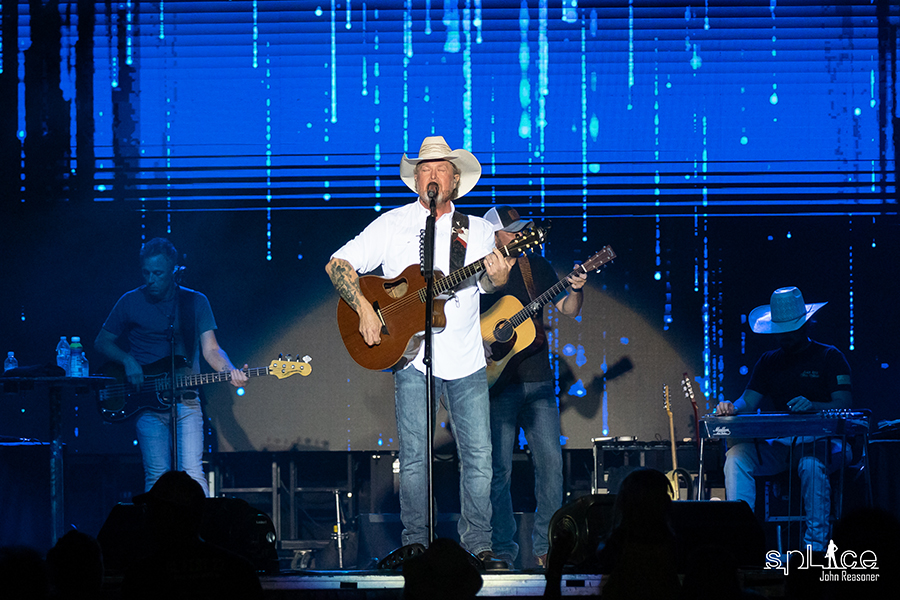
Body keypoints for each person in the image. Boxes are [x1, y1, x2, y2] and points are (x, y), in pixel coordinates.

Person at [326, 136, 512, 570]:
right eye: (424, 169)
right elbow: (338, 263)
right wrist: (365, 309)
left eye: (441, 169)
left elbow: (488, 284)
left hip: (466, 361)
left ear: (455, 179)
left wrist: (500, 276)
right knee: (413, 459)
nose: (432, 175)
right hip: (411, 360)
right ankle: (416, 544)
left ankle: (478, 545)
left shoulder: (479, 231)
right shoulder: (391, 224)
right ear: (415, 180)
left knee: (480, 458)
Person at [95, 237, 248, 495]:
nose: (151, 280)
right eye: (146, 273)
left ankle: (201, 531)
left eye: (158, 273)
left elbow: (211, 349)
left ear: (174, 271)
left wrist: (229, 371)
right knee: (156, 475)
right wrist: (128, 360)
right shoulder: (130, 301)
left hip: (186, 402)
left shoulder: (195, 302)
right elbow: (102, 341)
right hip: (146, 401)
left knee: (192, 472)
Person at [479, 205, 586, 568]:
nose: (520, 236)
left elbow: (568, 309)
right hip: (497, 383)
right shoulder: (479, 270)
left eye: (523, 230)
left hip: (539, 382)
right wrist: (480, 346)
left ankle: (548, 547)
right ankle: (503, 551)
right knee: (498, 472)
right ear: (495, 235)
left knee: (551, 465)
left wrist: (576, 289)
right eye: (513, 231)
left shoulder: (534, 266)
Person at [714, 286, 852, 552]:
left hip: (828, 443)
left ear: (806, 324)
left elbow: (844, 404)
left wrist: (812, 405)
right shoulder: (768, 361)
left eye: (790, 330)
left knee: (811, 464)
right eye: (781, 332)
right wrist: (731, 406)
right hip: (785, 445)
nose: (784, 337)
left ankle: (815, 550)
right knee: (737, 458)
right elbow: (748, 401)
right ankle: (740, 542)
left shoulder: (830, 356)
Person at [120, 471, 263, 600]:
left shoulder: (143, 575)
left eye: (152, 510)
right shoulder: (238, 570)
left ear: (167, 515)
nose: (147, 518)